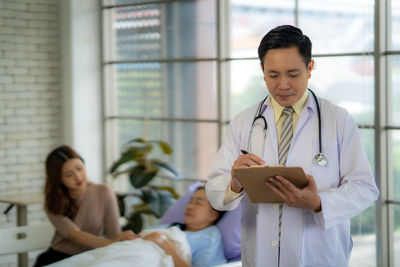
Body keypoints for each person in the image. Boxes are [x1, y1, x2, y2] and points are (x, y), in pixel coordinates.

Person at [205, 25, 379, 267]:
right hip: (260, 256)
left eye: (293, 74)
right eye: (273, 75)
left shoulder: (338, 120)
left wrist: (318, 203)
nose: (283, 85)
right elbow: (214, 191)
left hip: (319, 256)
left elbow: (364, 188)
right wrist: (234, 183)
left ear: (310, 68)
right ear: (262, 70)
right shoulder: (244, 122)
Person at [45, 186, 227, 267]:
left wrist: (166, 246)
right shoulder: (171, 227)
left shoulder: (210, 236)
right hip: (129, 250)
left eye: (198, 203)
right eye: (190, 201)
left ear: (213, 214)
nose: (189, 206)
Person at [34, 145, 136, 267]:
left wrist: (120, 240)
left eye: (79, 168)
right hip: (59, 258)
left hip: (92, 256)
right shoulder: (53, 201)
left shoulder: (103, 192)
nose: (78, 177)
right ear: (59, 179)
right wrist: (111, 243)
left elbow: (114, 233)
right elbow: (75, 235)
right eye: (69, 175)